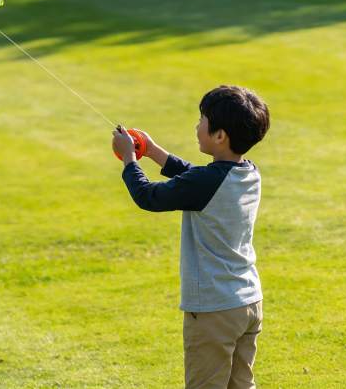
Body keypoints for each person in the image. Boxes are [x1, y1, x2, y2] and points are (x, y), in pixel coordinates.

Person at [112, 85, 270, 389]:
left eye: (202, 120)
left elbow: (148, 196)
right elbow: (194, 177)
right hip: (248, 302)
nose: (197, 126)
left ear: (220, 135)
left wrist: (130, 158)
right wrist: (154, 151)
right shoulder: (248, 172)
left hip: (214, 310)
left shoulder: (206, 182)